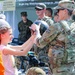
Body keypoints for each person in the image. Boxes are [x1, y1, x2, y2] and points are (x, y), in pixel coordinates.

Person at [30, 0, 75, 75]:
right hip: (72, 68)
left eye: (58, 10)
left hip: (58, 70)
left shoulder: (57, 26)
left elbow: (39, 43)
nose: (57, 13)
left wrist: (37, 31)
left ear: (65, 11)